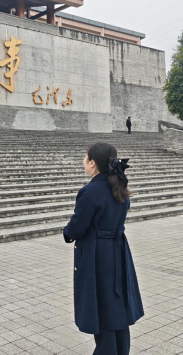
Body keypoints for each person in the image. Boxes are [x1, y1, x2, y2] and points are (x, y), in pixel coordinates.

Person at [63, 142, 143, 354]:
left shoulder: (90, 191)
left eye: (85, 157)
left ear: (92, 163)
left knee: (102, 307)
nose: (83, 161)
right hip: (118, 251)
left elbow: (77, 226)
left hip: (97, 255)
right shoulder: (119, 186)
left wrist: (67, 233)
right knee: (117, 305)